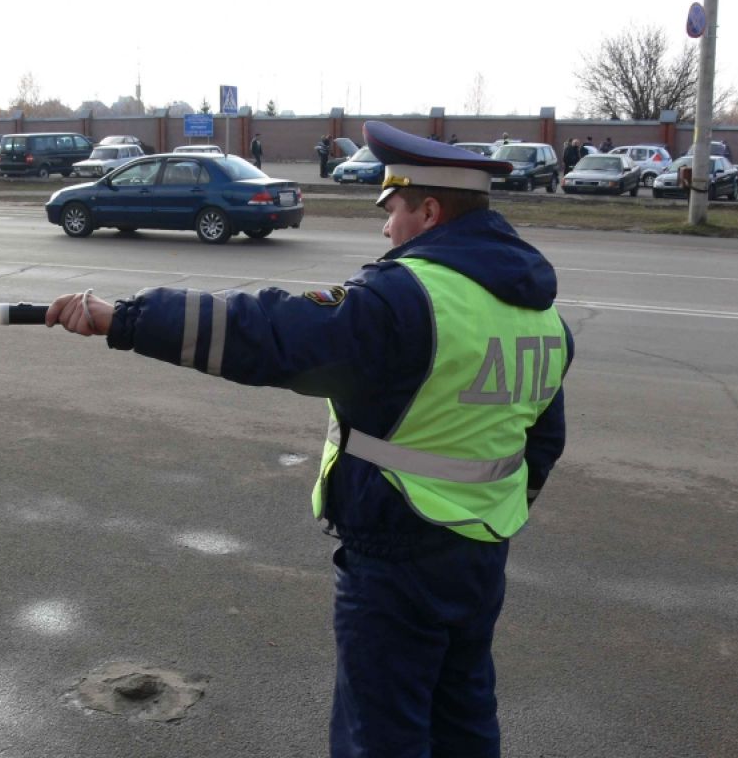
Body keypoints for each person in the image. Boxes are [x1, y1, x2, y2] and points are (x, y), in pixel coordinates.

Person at [44, 120, 574, 758]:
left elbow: (267, 333)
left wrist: (125, 318)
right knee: (463, 716)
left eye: (393, 210)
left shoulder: (407, 299)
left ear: (429, 212)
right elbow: (543, 441)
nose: (385, 228)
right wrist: (492, 513)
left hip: (397, 551)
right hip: (482, 553)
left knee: (380, 733)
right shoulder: (543, 316)